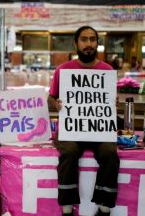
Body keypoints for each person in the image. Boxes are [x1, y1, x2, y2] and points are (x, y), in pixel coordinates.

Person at [48, 26, 119, 216]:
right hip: (71, 129)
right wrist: (56, 103)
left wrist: (113, 103)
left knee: (110, 153)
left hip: (98, 130)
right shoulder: (63, 70)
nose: (89, 44)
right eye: (84, 39)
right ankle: (67, 210)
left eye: (93, 39)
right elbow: (51, 97)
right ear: (76, 43)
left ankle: (104, 209)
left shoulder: (107, 70)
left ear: (97, 43)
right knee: (69, 152)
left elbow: (109, 103)